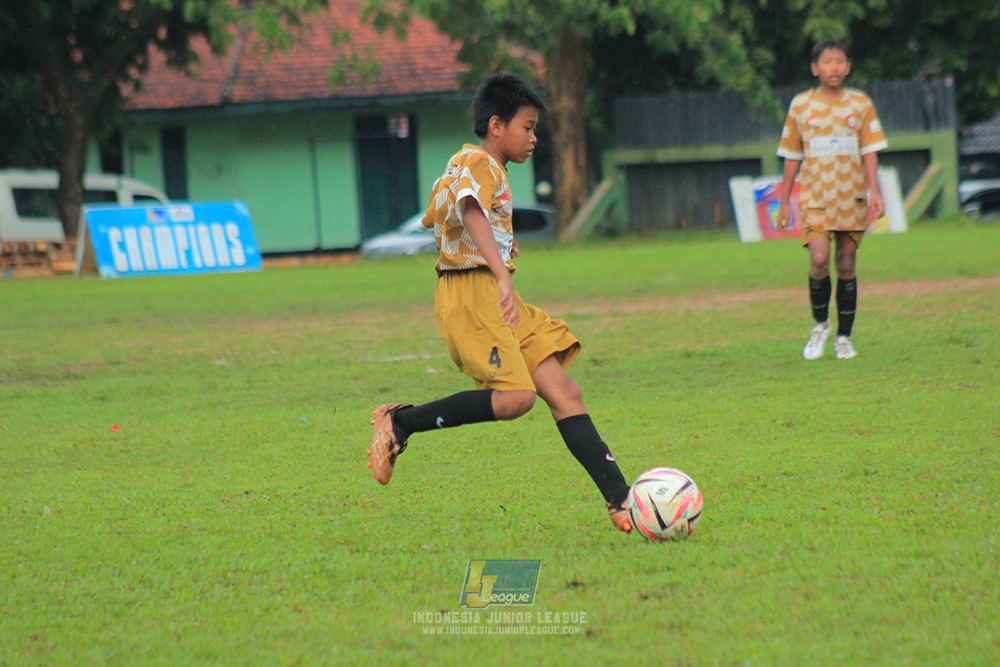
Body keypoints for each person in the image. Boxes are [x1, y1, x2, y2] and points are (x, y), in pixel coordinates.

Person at [366, 73, 633, 534]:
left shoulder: (468, 163)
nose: (533, 138)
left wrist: (500, 278)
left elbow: (439, 211)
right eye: (527, 127)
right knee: (515, 399)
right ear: (496, 125)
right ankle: (401, 423)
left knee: (564, 392)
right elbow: (469, 210)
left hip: (493, 290)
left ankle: (622, 501)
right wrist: (499, 276)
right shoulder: (482, 164)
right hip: (474, 293)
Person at [777, 39, 887, 360]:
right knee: (819, 260)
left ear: (848, 67)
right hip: (815, 198)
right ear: (815, 68)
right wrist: (784, 202)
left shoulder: (860, 104)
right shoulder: (800, 106)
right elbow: (790, 155)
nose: (834, 67)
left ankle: (844, 337)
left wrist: (874, 190)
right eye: (827, 62)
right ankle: (820, 325)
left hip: (850, 196)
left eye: (840, 61)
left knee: (846, 264)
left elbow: (869, 150)